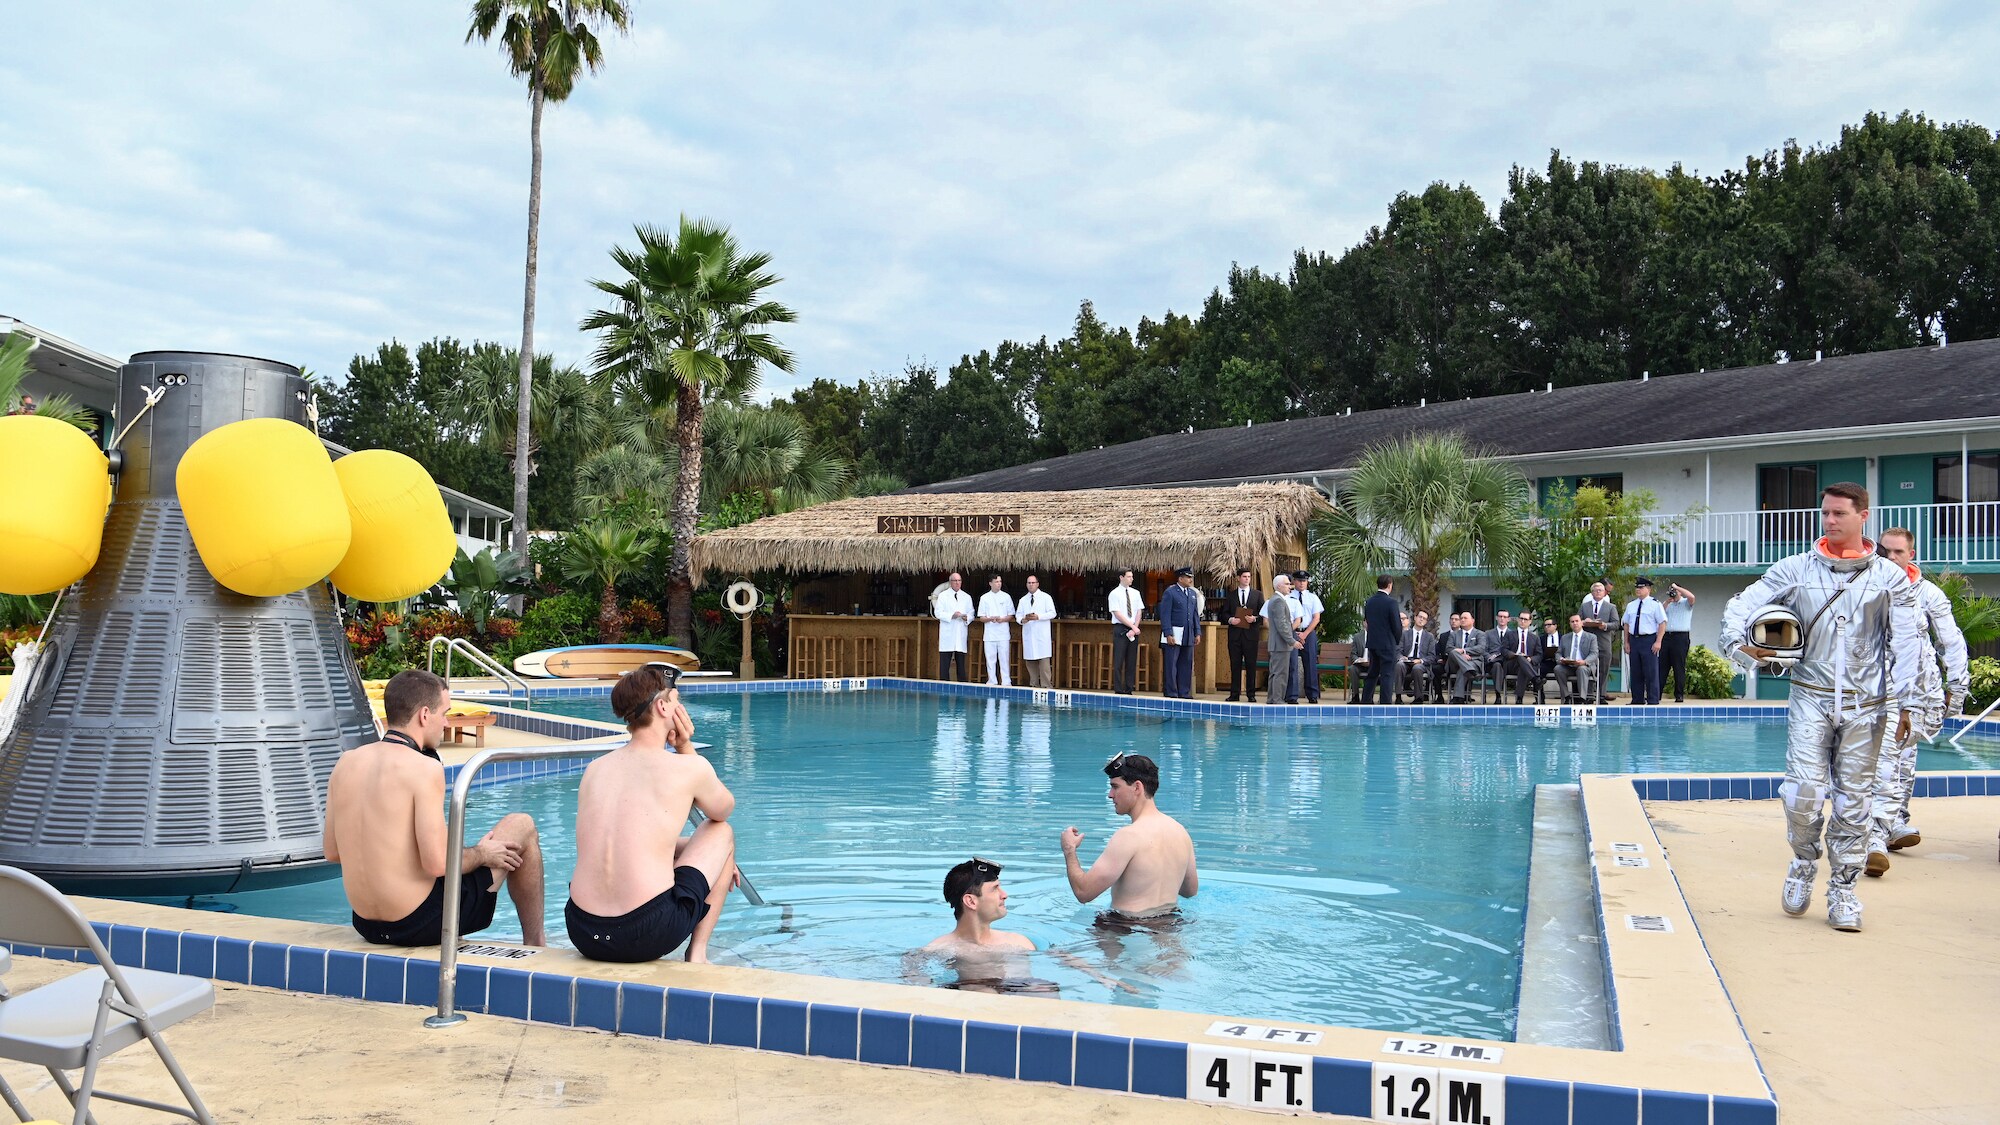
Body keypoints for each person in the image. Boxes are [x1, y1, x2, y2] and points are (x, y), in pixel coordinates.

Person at [1719, 482, 1921, 933]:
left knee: (1854, 803)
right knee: (1802, 794)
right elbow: (1740, 604)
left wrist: (1908, 704)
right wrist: (1739, 645)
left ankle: (1844, 889)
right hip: (1810, 694)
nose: (1830, 521)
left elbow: (1907, 643)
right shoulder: (1795, 569)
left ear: (1863, 516)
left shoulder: (1889, 578)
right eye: (1826, 513)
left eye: (1839, 514)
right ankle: (1804, 863)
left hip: (1868, 705)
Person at [324, 670, 546, 947]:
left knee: (448, 866)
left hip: (366, 924)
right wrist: (482, 853)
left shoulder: (346, 762)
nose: (446, 722)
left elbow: (332, 852)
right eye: (445, 713)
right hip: (419, 923)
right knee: (521, 824)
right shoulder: (424, 768)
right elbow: (438, 862)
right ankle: (536, 944)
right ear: (424, 715)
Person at [567, 666, 739, 963]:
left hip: (583, 930)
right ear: (662, 706)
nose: (680, 707)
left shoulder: (595, 769)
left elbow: (633, 841)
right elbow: (722, 809)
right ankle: (697, 955)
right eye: (676, 699)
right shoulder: (688, 768)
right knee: (721, 833)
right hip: (644, 934)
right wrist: (685, 746)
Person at [1866, 528, 1970, 877]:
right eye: (1887, 551)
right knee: (1886, 759)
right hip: (1879, 687)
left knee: (1905, 760)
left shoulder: (1929, 594)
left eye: (1899, 552)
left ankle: (1895, 822)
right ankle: (1875, 838)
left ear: (1912, 554)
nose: (1892, 557)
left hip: (1920, 691)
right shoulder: (1868, 588)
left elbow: (1951, 640)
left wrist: (1957, 684)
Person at [1059, 753, 1198, 920]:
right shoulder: (1180, 832)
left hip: (1126, 928)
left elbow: (1084, 892)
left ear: (1137, 788)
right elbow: (1190, 891)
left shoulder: (1128, 836)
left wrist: (1069, 850)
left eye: (1115, 786)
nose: (1110, 794)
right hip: (1170, 924)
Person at [909, 858, 1038, 991]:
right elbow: (912, 973)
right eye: (995, 889)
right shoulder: (941, 948)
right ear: (971, 901)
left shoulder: (1019, 942)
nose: (1004, 895)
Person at [1157, 566, 1203, 699]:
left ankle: (1184, 692)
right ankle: (1171, 692)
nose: (1190, 580)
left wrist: (1197, 632)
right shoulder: (1170, 592)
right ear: (1180, 578)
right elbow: (1164, 614)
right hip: (1174, 633)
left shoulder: (1193, 594)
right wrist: (1168, 633)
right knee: (1171, 664)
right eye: (1188, 577)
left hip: (1188, 633)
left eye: (1191, 577)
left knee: (1186, 663)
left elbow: (1195, 615)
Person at [1622, 578, 1668, 705]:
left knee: (1650, 671)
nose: (1638, 590)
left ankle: (1653, 699)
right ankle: (1637, 699)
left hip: (1648, 640)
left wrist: (1658, 642)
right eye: (1637, 587)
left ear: (1649, 589)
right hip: (1634, 640)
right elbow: (1626, 624)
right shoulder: (1631, 605)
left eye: (1641, 587)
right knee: (1635, 671)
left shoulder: (1655, 604)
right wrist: (1626, 642)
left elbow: (1662, 623)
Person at [1222, 567, 1263, 702]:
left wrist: (1255, 619)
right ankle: (1235, 694)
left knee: (1251, 665)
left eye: (1249, 577)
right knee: (1235, 664)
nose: (1247, 579)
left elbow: (1263, 614)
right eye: (1244, 577)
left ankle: (1251, 694)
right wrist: (1231, 620)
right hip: (1235, 636)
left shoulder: (1257, 594)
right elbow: (1224, 613)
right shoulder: (1231, 595)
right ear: (1238, 578)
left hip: (1251, 635)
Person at [1360, 575, 1403, 705]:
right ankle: (1385, 703)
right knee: (1387, 674)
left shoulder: (1370, 601)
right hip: (1387, 644)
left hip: (1373, 643)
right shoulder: (1391, 602)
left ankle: (1366, 700)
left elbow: (1367, 621)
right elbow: (1396, 625)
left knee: (1372, 673)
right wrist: (1396, 640)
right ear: (1389, 585)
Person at [1262, 574, 1302, 704]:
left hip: (1277, 644)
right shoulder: (1278, 601)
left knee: (1275, 673)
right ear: (1279, 586)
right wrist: (1292, 641)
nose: (1290, 586)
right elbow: (1282, 625)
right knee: (1280, 673)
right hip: (1280, 644)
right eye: (1287, 584)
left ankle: (1272, 699)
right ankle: (1277, 700)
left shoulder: (1274, 600)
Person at [1286, 571, 1325, 703]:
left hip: (1308, 632)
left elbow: (1316, 618)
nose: (1301, 583)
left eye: (1304, 581)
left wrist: (1305, 633)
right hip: (1292, 632)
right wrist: (1294, 632)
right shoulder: (1289, 597)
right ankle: (1291, 696)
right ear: (1294, 582)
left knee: (1310, 664)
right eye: (1299, 580)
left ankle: (1312, 695)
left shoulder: (1313, 598)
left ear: (1307, 582)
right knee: (1292, 664)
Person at [1014, 574, 1058, 688]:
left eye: (1033, 583)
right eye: (1029, 583)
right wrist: (1024, 619)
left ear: (1037, 584)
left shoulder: (1046, 597)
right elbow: (1018, 616)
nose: (1031, 585)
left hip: (1041, 635)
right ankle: (1034, 685)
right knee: (1031, 663)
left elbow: (1052, 613)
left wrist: (1039, 617)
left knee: (1044, 665)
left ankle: (1046, 686)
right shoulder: (1023, 600)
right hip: (1029, 633)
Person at [1579, 581, 1619, 703]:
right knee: (1589, 667)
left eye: (1600, 590)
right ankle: (1589, 695)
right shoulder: (1584, 606)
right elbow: (1576, 621)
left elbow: (1616, 623)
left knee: (1604, 668)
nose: (1598, 592)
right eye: (1595, 590)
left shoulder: (1611, 607)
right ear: (1591, 593)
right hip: (1588, 642)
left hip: (1604, 641)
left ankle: (1601, 695)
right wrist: (1583, 622)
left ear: (1604, 592)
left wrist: (1605, 625)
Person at [1108, 569, 1144, 694]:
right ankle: (1118, 688)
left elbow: (1139, 610)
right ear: (1121, 577)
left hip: (1134, 629)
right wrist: (1132, 626)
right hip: (1121, 628)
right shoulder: (1114, 594)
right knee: (1119, 660)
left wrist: (1135, 627)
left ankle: (1129, 688)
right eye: (1128, 576)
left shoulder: (1136, 593)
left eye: (1132, 576)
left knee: (1131, 660)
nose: (1131, 579)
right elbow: (1117, 613)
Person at [933, 572, 973, 681]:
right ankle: (944, 685)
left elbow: (971, 612)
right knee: (945, 663)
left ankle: (962, 686)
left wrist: (967, 618)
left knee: (961, 663)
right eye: (955, 581)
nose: (957, 583)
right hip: (948, 632)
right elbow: (938, 613)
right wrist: (952, 615)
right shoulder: (943, 595)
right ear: (950, 582)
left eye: (959, 581)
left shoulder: (966, 597)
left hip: (960, 632)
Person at [1661, 581, 1697, 702]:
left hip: (1680, 637)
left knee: (1678, 667)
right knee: (1662, 667)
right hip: (1666, 636)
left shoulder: (1686, 603)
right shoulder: (1667, 604)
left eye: (1675, 590)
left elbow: (1692, 597)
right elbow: (1659, 614)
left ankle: (1679, 694)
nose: (1673, 592)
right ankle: (1657, 693)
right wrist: (1667, 602)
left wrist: (1677, 588)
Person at [977, 575, 1016, 686]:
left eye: (1000, 581)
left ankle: (1006, 681)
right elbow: (981, 617)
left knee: (1004, 659)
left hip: (1003, 633)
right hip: (989, 634)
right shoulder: (984, 598)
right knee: (990, 659)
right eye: (996, 582)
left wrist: (1002, 619)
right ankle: (992, 680)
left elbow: (1011, 615)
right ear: (990, 583)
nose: (999, 584)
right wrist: (990, 618)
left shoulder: (1006, 597)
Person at [1555, 614, 1599, 704]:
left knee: (1581, 669)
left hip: (1584, 666)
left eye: (1577, 621)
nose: (1575, 623)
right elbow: (1558, 653)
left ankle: (1582, 698)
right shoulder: (1565, 637)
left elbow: (1594, 654)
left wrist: (1584, 661)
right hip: (1569, 666)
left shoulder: (1591, 637)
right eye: (1572, 622)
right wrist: (1561, 659)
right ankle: (1566, 696)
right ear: (1570, 624)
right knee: (1558, 669)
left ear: (1581, 623)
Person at [1444, 611, 1487, 703]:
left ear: (1473, 620)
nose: (1462, 620)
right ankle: (1471, 671)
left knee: (1463, 669)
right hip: (1454, 664)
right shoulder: (1454, 634)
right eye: (1461, 618)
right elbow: (1448, 648)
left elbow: (1481, 648)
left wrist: (1464, 651)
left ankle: (1458, 698)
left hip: (1473, 661)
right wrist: (1461, 655)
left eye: (1465, 618)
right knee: (1453, 652)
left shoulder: (1480, 634)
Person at [1400, 610, 1436, 703]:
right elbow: (1398, 650)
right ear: (1415, 618)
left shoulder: (1429, 637)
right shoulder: (1404, 634)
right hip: (1406, 661)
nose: (1421, 620)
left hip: (1421, 663)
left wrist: (1420, 660)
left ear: (1426, 622)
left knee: (1417, 668)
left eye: (1424, 619)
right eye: (1420, 617)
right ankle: (1398, 696)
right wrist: (1401, 657)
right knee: (1399, 665)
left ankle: (1418, 698)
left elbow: (1432, 656)